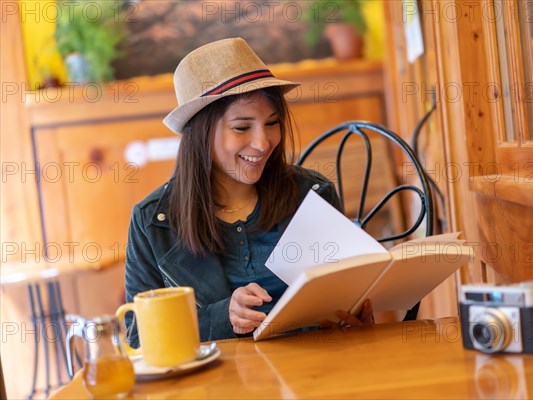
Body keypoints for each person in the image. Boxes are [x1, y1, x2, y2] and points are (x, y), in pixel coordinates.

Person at [124, 37, 372, 344]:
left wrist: (356, 318)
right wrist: (222, 317)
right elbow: (138, 336)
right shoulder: (153, 222)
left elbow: (349, 301)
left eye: (272, 123)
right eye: (242, 127)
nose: (263, 142)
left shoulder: (312, 194)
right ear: (201, 133)